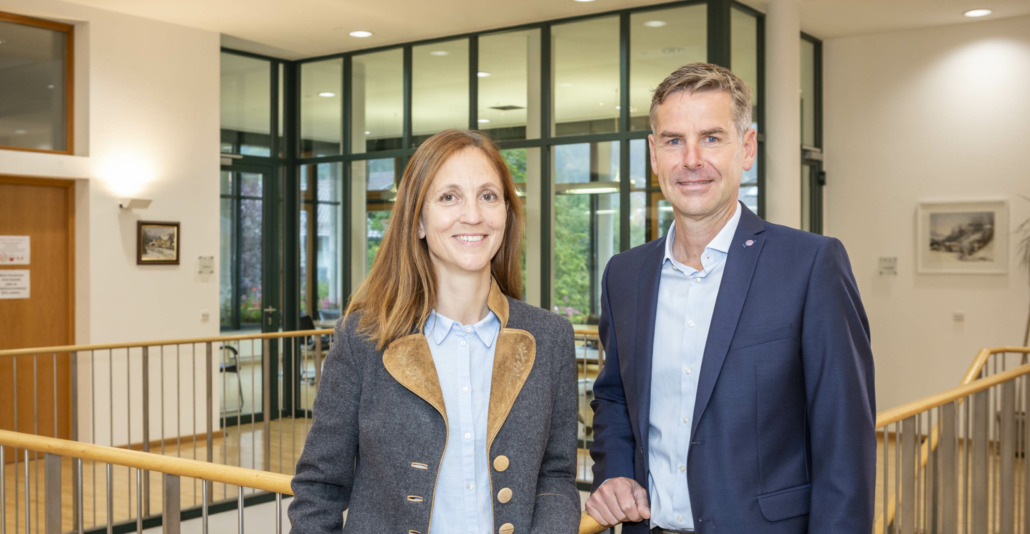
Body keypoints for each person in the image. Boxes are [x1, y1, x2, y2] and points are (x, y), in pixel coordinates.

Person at [584, 63, 876, 533]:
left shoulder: (810, 265)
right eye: (674, 140)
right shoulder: (625, 274)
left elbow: (843, 441)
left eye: (711, 138)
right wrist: (615, 472)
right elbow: (615, 396)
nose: (691, 159)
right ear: (654, 154)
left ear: (747, 148)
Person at [289, 129, 580, 534]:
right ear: (419, 221)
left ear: (507, 214)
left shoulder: (550, 337)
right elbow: (319, 489)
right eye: (449, 197)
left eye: (488, 196)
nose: (473, 215)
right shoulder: (363, 338)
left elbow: (556, 476)